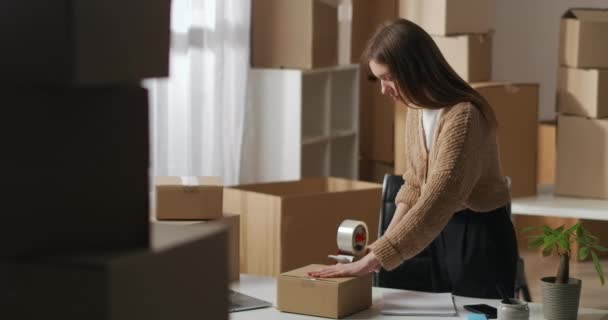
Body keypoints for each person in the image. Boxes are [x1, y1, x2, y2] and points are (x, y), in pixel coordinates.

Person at [308, 19, 518, 299]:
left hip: (478, 235)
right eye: (377, 78)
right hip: (436, 230)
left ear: (415, 69)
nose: (383, 89)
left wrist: (374, 259)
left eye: (388, 78)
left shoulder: (464, 116)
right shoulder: (416, 109)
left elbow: (440, 197)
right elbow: (416, 184)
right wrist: (380, 245)